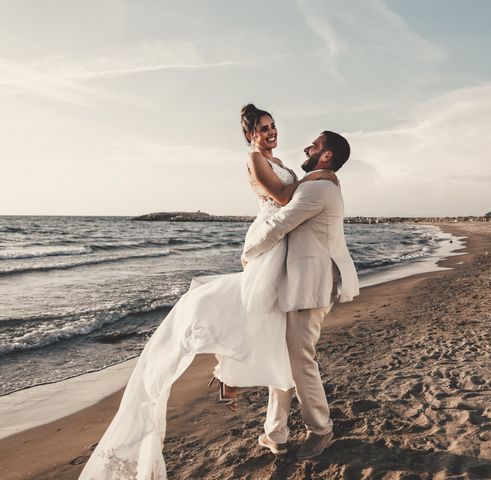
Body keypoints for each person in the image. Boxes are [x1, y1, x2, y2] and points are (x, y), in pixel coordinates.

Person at [79, 104, 347, 480]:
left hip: (289, 257)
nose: (271, 133)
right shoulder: (255, 161)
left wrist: (319, 177)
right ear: (250, 134)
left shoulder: (287, 164)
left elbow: (295, 196)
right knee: (249, 315)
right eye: (264, 128)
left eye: (273, 126)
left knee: (274, 337)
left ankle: (265, 418)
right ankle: (231, 374)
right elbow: (285, 199)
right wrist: (320, 177)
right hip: (270, 245)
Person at [242, 130, 359, 459]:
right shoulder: (324, 186)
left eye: (315, 145)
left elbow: (280, 223)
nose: (307, 148)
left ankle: (320, 429)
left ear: (326, 156)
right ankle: (275, 432)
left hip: (311, 285)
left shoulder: (317, 189)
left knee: (301, 362)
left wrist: (248, 253)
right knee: (284, 357)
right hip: (299, 283)